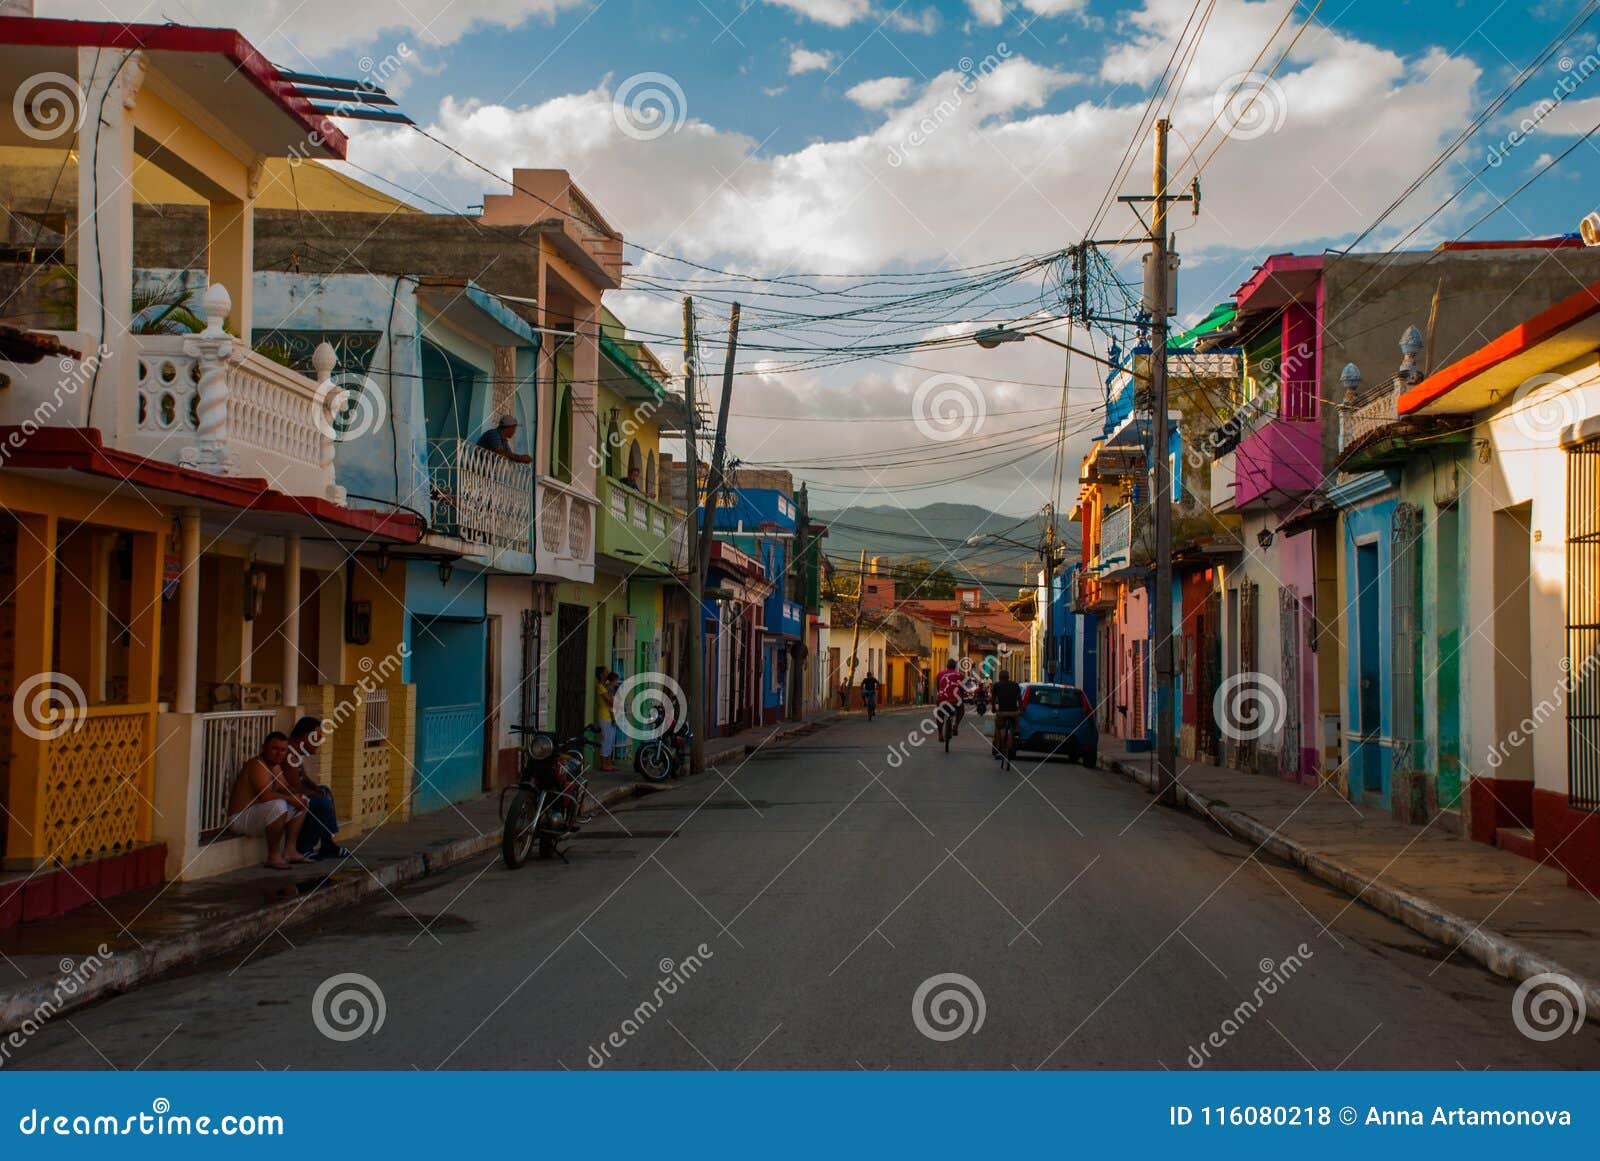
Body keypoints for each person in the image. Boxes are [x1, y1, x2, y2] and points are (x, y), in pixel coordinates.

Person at [226, 733, 309, 869]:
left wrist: (296, 796)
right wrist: (290, 799)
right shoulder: (257, 764)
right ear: (264, 748)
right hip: (240, 819)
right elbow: (265, 796)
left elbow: (286, 789)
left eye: (283, 750)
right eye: (274, 748)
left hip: (259, 817)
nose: (279, 754)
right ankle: (273, 856)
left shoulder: (275, 766)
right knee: (279, 805)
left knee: (303, 801)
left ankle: (290, 851)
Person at [284, 716, 351, 861]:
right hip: (287, 799)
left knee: (325, 791)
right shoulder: (289, 754)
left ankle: (327, 844)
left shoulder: (297, 753)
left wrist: (317, 790)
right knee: (322, 803)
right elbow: (295, 788)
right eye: (317, 737)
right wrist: (317, 795)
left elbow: (304, 779)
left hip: (298, 795)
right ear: (303, 736)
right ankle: (304, 847)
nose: (319, 741)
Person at [991, 670, 1023, 761]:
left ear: (1000, 677)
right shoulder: (1015, 685)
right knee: (1016, 723)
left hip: (1002, 712)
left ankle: (998, 750)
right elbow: (1019, 698)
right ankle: (1016, 734)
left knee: (998, 728)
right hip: (1013, 712)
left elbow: (993, 699)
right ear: (1008, 677)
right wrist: (1021, 709)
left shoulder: (996, 685)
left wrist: (993, 708)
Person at [935, 658, 966, 739]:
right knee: (961, 710)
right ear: (955, 666)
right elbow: (962, 689)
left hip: (942, 700)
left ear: (947, 666)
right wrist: (961, 699)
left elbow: (938, 688)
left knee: (940, 714)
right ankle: (956, 725)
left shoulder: (940, 674)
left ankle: (940, 734)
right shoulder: (960, 675)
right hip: (955, 701)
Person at [596, 666, 618, 772]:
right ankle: (603, 764)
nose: (608, 674)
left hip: (610, 717)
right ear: (601, 675)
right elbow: (609, 700)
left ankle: (609, 763)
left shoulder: (606, 686)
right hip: (604, 717)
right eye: (606, 672)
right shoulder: (600, 687)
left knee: (610, 740)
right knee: (605, 740)